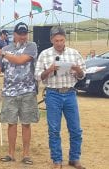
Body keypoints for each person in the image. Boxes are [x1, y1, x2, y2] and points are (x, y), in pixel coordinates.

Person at [0, 22, 39, 165]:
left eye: (25, 33)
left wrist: (2, 53)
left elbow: (20, 60)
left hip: (27, 91)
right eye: (20, 34)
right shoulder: (5, 48)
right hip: (9, 92)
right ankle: (10, 153)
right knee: (11, 123)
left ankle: (26, 154)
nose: (23, 36)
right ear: (14, 34)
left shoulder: (31, 46)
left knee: (26, 123)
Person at [34, 26, 86, 169]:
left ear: (65, 39)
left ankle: (74, 159)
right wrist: (49, 69)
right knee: (54, 130)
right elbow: (37, 76)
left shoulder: (74, 53)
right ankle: (57, 161)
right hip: (53, 94)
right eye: (56, 40)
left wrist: (77, 69)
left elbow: (83, 75)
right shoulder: (44, 54)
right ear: (51, 40)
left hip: (70, 93)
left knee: (75, 129)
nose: (59, 43)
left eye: (61, 40)